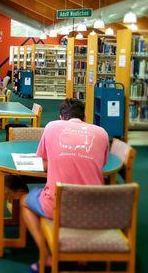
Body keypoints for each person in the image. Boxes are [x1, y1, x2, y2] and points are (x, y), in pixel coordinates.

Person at [20, 98, 109, 273]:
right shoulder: (102, 132)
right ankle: (81, 259)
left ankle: (47, 255)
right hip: (94, 208)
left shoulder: (52, 127)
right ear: (84, 118)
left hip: (57, 205)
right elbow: (102, 165)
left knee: (25, 201)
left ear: (62, 117)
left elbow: (44, 163)